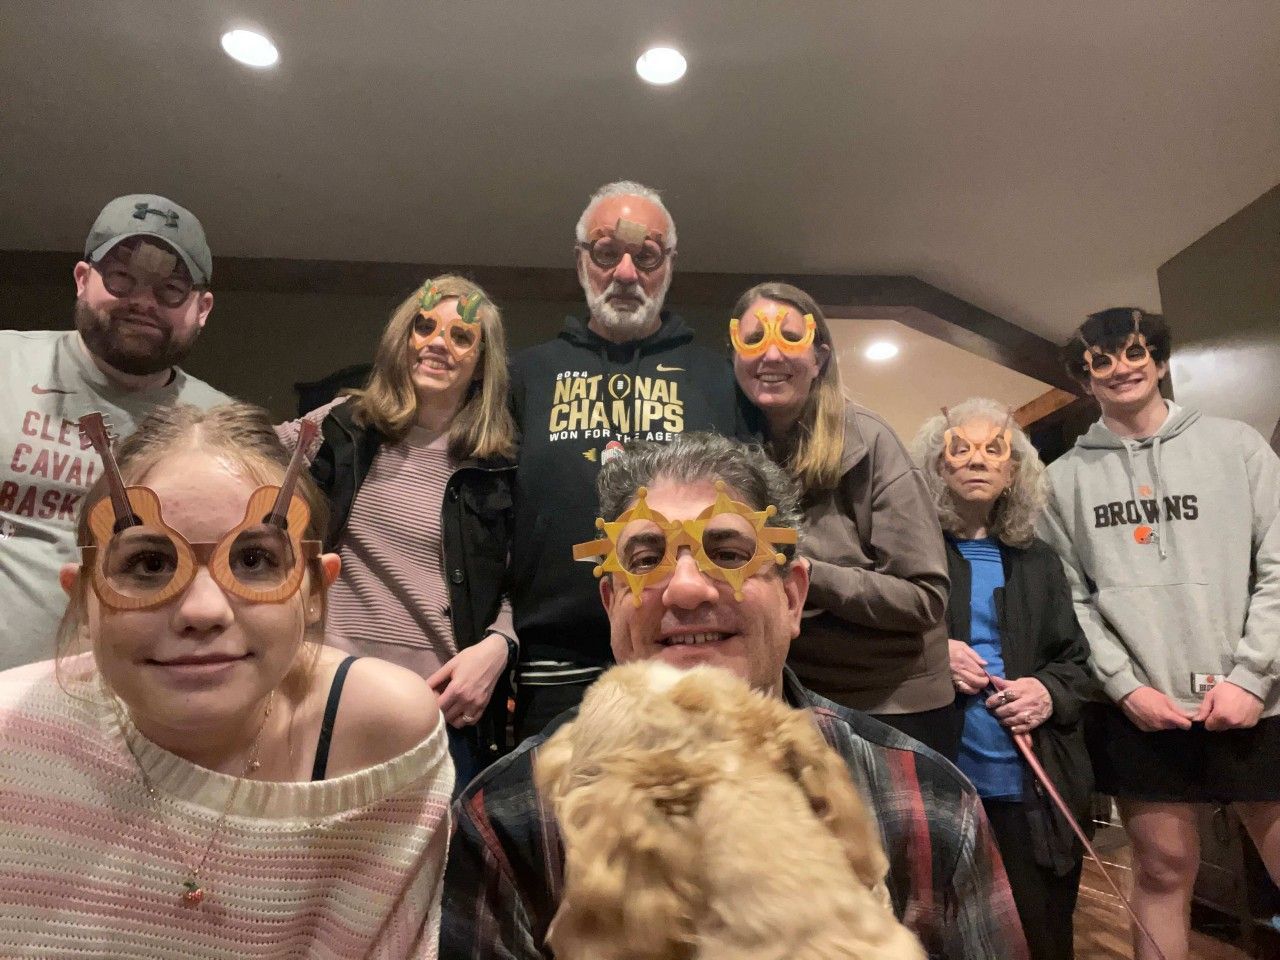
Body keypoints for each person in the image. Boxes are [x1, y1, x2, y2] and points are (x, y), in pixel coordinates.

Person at [442, 433, 1030, 960]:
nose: (688, 589)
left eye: (727, 553)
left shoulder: (927, 799)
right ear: (611, 605)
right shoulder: (506, 818)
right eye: (646, 560)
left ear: (794, 598)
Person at [0, 403, 452, 957]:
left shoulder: (380, 737)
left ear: (315, 590)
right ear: (83, 595)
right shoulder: (12, 738)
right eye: (147, 565)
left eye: (257, 559)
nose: (204, 610)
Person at [1038, 308, 1280, 960]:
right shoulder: (1060, 482)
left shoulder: (1238, 446)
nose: (1120, 367)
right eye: (1101, 359)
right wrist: (1122, 688)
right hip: (1141, 713)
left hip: (1259, 701)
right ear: (1085, 376)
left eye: (1134, 351)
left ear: (1161, 359)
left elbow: (1278, 566)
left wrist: (1252, 677)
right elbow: (1070, 600)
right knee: (1164, 870)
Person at [507, 180, 743, 742]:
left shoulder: (721, 380)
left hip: (689, 644)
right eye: (607, 253)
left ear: (670, 265)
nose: (626, 274)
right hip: (555, 661)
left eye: (647, 255)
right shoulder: (524, 376)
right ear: (581, 260)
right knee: (556, 822)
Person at [278, 275, 517, 788]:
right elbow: (243, 465)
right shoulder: (341, 428)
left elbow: (527, 576)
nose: (436, 343)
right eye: (424, 326)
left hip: (440, 707)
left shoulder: (499, 466)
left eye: (460, 336)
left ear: (481, 363)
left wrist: (501, 643)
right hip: (327, 691)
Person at [0, 194, 230, 671]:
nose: (142, 302)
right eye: (122, 278)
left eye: (170, 288)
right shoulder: (5, 365)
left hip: (141, 706)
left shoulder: (224, 426)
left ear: (202, 308)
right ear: (83, 280)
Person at [728, 281, 957, 757]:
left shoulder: (871, 442)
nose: (770, 355)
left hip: (894, 707)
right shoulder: (732, 453)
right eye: (753, 340)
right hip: (790, 698)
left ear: (820, 358)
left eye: (790, 338)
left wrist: (806, 574)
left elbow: (925, 597)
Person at [913, 398, 1093, 960]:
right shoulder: (905, 555)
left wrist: (1046, 691)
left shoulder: (1038, 561)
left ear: (1013, 470)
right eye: (959, 448)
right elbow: (871, 650)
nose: (977, 460)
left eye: (995, 450)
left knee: (1038, 936)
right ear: (937, 467)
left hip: (1030, 790)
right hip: (937, 789)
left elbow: (1074, 662)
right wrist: (933, 651)